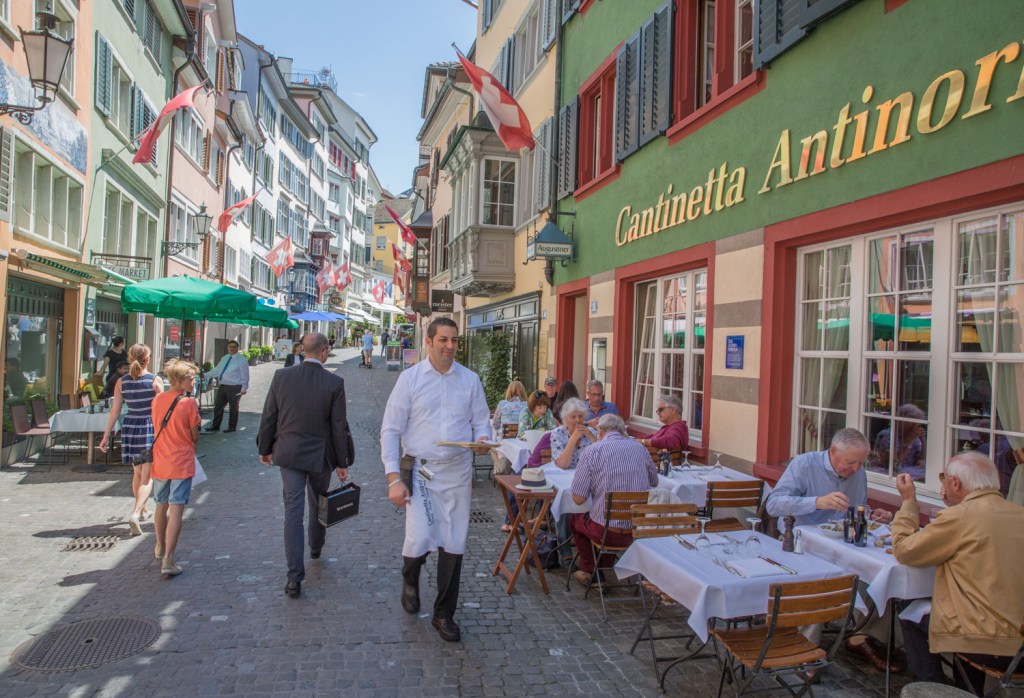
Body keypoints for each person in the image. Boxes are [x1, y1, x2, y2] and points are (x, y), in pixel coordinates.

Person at [381, 317, 490, 643]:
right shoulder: (410, 380)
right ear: (428, 341)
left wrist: (484, 438)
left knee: (454, 541)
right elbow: (390, 430)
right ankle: (410, 576)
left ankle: (444, 614)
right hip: (423, 470)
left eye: (454, 340)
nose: (450, 346)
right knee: (419, 537)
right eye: (443, 339)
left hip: (457, 470)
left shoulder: (470, 380)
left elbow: (482, 421)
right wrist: (392, 478)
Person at [892, 453, 1024, 693]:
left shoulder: (961, 516)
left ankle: (932, 689)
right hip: (1018, 645)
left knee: (908, 610)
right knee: (976, 610)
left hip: (986, 642)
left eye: (943, 478)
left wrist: (909, 502)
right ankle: (964, 689)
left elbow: (904, 550)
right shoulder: (1018, 513)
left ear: (955, 483)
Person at [766, 428, 896, 669]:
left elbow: (856, 509)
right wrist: (816, 502)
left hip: (844, 545)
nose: (856, 469)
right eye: (850, 462)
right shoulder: (805, 464)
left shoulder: (858, 473)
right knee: (820, 580)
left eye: (860, 463)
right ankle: (804, 650)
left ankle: (862, 638)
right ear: (833, 452)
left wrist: (873, 515)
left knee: (879, 579)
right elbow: (774, 504)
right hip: (803, 543)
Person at [258, 333, 353, 598]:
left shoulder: (282, 377)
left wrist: (265, 449)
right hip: (321, 456)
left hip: (289, 454)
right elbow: (338, 426)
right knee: (319, 503)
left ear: (302, 350)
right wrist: (342, 462)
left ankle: (294, 577)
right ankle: (316, 547)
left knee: (292, 511)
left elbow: (269, 417)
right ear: (324, 351)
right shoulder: (334, 382)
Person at [568, 414, 658, 586]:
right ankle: (605, 566)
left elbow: (578, 499)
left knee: (576, 519)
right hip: (636, 531)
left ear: (599, 431)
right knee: (606, 519)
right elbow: (654, 481)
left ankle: (590, 571)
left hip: (605, 532)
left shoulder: (592, 452)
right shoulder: (640, 449)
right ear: (622, 430)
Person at [100, 343, 164, 535]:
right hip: (149, 428)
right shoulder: (155, 380)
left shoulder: (122, 382)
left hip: (130, 427)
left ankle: (143, 509)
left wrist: (106, 435)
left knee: (136, 473)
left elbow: (115, 410)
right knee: (148, 476)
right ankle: (136, 513)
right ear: (148, 359)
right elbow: (161, 411)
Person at [150, 359, 202, 577]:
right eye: (191, 379)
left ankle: (160, 545)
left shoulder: (158, 399)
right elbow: (194, 434)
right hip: (181, 460)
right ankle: (169, 558)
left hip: (160, 458)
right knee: (177, 506)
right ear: (179, 381)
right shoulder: (188, 403)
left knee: (160, 503)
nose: (194, 382)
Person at [870, 404, 927, 480]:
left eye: (917, 423)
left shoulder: (914, 437)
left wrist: (923, 439)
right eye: (912, 423)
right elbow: (893, 464)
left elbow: (921, 461)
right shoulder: (887, 435)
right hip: (888, 476)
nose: (915, 427)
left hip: (909, 475)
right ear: (901, 421)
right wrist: (908, 441)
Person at [205, 340, 249, 433]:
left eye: (234, 347)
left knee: (233, 408)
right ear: (228, 348)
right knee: (218, 406)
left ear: (237, 348)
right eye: (230, 347)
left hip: (235, 386)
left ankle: (232, 427)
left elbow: (245, 374)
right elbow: (217, 370)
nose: (232, 348)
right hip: (223, 386)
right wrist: (205, 375)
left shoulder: (241, 360)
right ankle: (215, 425)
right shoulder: (225, 357)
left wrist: (244, 387)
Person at [550, 398, 596, 470]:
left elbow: (602, 460)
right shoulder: (558, 433)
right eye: (573, 417)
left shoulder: (591, 432)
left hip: (585, 477)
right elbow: (562, 465)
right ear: (565, 419)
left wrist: (592, 437)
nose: (578, 420)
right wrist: (573, 438)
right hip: (561, 477)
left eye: (580, 416)